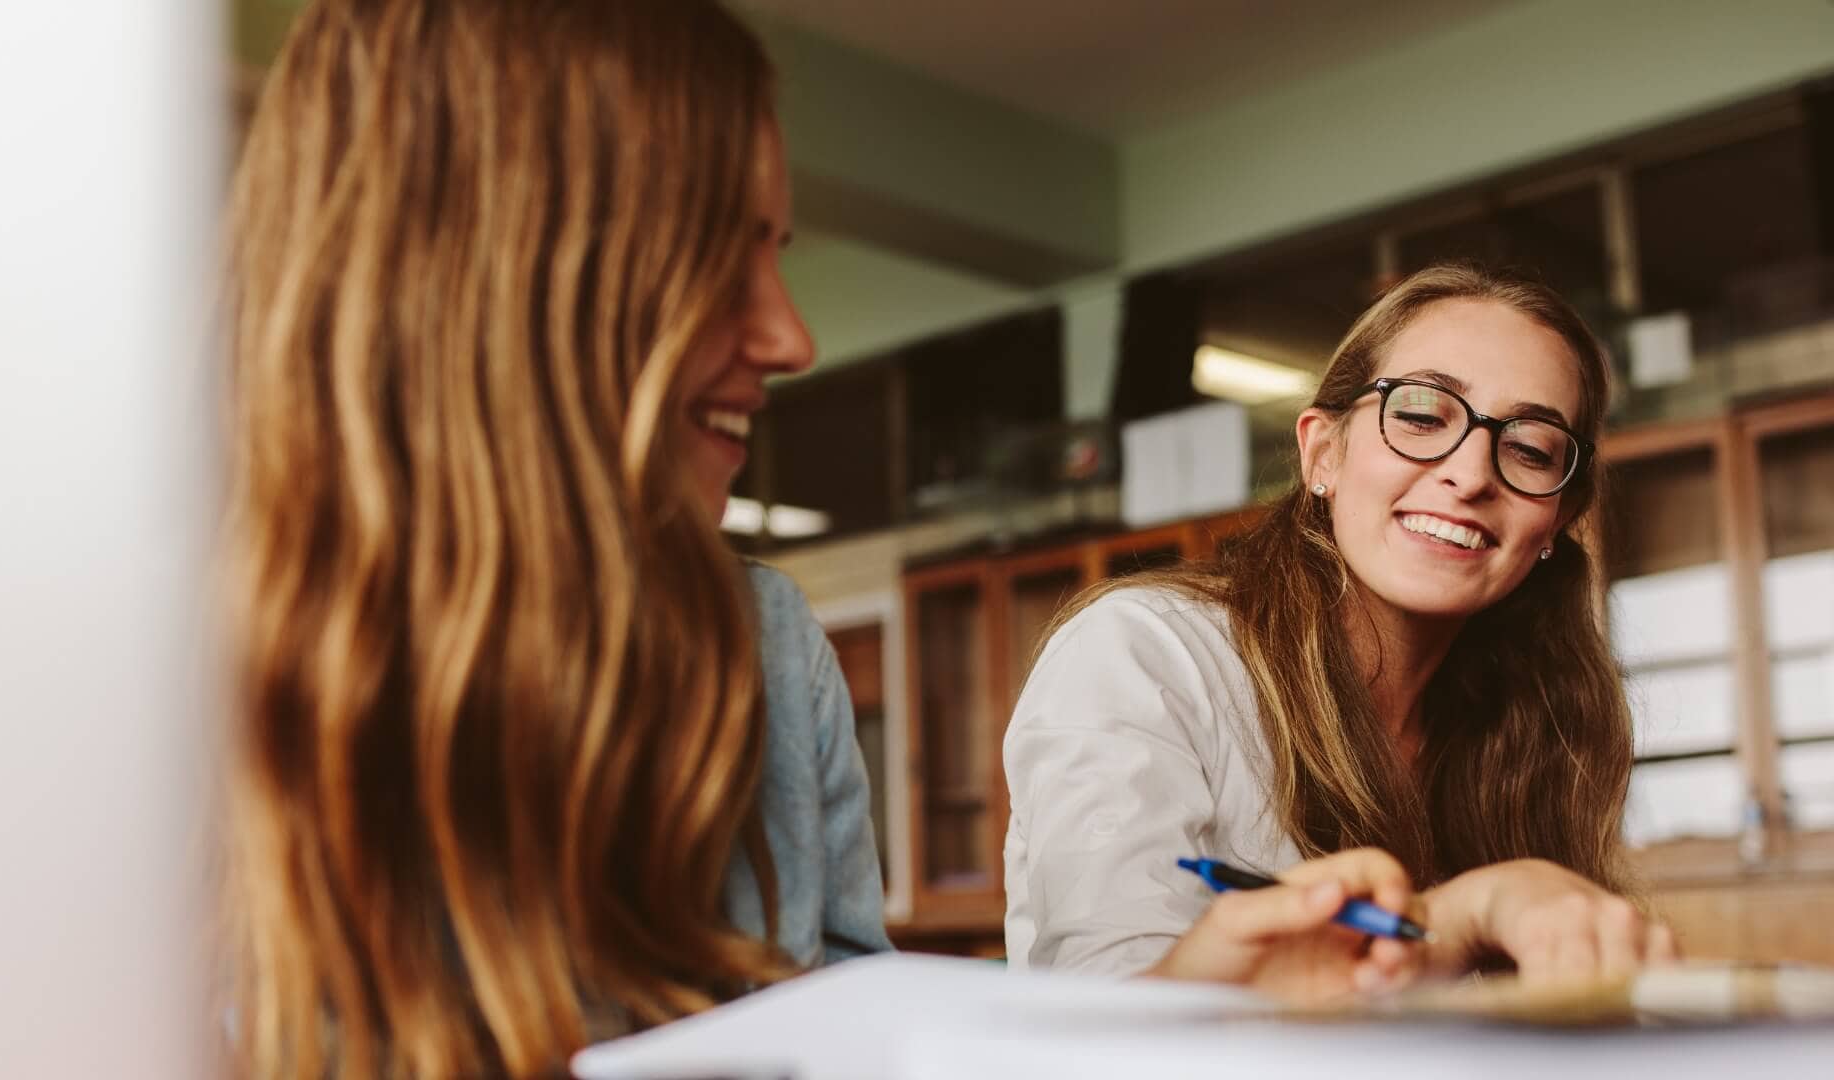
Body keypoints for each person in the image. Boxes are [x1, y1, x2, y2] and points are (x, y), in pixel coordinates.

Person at [218, 1, 887, 1075]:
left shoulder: (768, 643)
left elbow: (867, 1044)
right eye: (719, 254)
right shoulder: (139, 710)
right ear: (489, 272)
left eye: (778, 253)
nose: (791, 339)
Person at [1003, 264, 1677, 1001]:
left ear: (1555, 521)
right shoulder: (1141, 654)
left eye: (1531, 449)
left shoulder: (1532, 721)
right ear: (1323, 453)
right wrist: (1464, 914)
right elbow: (1108, 1022)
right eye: (1422, 416)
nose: (1471, 472)